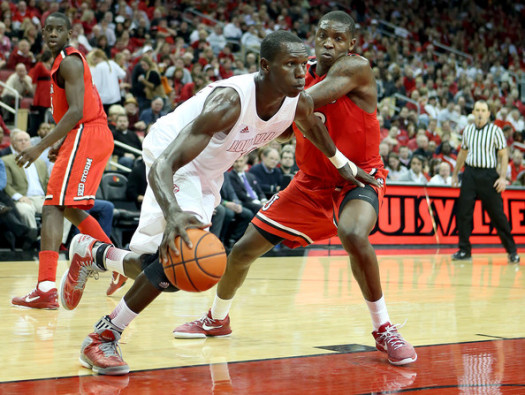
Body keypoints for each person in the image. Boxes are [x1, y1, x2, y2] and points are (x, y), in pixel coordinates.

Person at [60, 30, 376, 375]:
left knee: (162, 265)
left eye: (304, 65)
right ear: (265, 66)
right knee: (180, 256)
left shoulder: (296, 100)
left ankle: (94, 253)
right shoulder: (230, 102)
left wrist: (344, 165)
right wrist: (175, 213)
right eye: (291, 65)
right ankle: (102, 336)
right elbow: (164, 165)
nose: (302, 74)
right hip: (172, 158)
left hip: (209, 171)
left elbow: (312, 127)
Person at [172, 11, 417, 367]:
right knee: (241, 251)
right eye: (322, 36)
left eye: (337, 38)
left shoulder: (356, 68)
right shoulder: (300, 73)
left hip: (357, 178)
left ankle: (385, 329)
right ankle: (216, 319)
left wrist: (263, 100)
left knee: (352, 232)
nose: (328, 43)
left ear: (352, 44)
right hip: (309, 185)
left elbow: (301, 105)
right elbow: (285, 125)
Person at [11, 12, 116, 310]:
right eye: (50, 29)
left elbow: (76, 111)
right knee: (65, 207)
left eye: (61, 29)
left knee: (52, 205)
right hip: (83, 134)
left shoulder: (70, 61)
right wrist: (61, 143)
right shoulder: (61, 61)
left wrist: (39, 146)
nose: (54, 33)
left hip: (87, 131)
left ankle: (45, 288)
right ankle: (117, 263)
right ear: (43, 33)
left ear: (70, 34)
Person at [451, 100, 520, 264]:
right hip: (469, 174)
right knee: (463, 213)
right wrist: (455, 174)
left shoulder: (495, 131)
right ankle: (464, 250)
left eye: (483, 110)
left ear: (489, 113)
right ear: (473, 113)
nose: (480, 113)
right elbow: (463, 153)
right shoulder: (468, 130)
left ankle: (512, 251)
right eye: (477, 110)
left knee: (498, 216)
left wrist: (502, 177)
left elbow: (503, 155)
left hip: (488, 175)